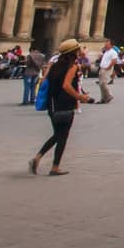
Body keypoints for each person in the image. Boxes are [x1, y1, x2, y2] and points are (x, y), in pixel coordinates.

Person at [30, 39, 93, 176]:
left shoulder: (54, 65)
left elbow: (46, 81)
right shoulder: (72, 66)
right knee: (62, 136)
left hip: (52, 105)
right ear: (73, 52)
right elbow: (66, 85)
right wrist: (80, 97)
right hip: (65, 105)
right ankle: (54, 167)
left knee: (57, 134)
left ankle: (38, 157)